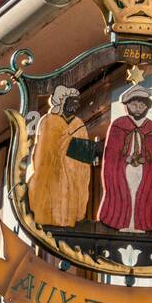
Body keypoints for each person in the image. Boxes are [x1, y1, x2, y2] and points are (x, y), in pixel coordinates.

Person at [97, 84, 152, 232]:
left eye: (141, 105)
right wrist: (123, 159)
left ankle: (140, 225)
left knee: (143, 194)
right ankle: (122, 223)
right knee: (123, 193)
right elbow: (112, 153)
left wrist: (147, 162)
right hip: (123, 169)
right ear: (127, 106)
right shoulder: (119, 125)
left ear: (147, 106)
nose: (138, 108)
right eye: (134, 105)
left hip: (143, 170)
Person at [27, 86, 93, 227]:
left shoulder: (79, 124)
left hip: (73, 176)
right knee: (52, 198)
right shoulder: (48, 121)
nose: (77, 104)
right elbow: (43, 151)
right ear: (64, 101)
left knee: (69, 203)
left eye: (77, 101)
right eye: (74, 101)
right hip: (52, 175)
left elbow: (83, 158)